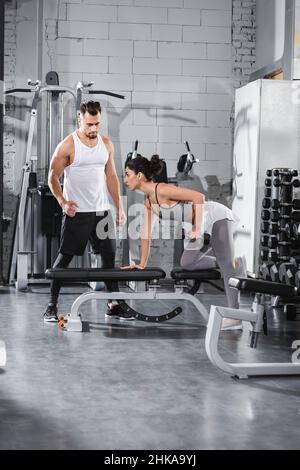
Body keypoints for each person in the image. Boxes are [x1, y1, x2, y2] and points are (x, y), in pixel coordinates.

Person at [123, 154, 247, 331]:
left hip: (215, 216)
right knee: (187, 262)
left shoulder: (163, 190)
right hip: (201, 225)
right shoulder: (149, 201)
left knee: (227, 265)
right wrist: (141, 264)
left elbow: (199, 197)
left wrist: (196, 229)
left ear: (139, 175)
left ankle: (235, 317)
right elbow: (146, 235)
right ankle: (238, 264)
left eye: (128, 174)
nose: (125, 179)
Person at [43, 100, 133, 322]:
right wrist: (63, 202)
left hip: (102, 212)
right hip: (77, 212)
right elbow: (52, 177)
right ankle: (51, 306)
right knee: (64, 259)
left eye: (97, 124)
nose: (94, 129)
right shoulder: (68, 145)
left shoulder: (106, 143)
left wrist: (119, 207)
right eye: (90, 124)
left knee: (109, 260)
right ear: (79, 119)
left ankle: (112, 304)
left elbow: (111, 177)